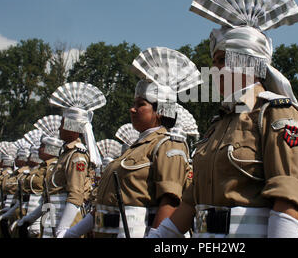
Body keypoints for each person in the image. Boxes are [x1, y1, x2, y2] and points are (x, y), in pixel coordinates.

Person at [148, 0, 298, 238]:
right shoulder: (219, 124)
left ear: (247, 61)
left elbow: (287, 195)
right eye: (213, 62)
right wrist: (158, 239)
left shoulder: (276, 113)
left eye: (222, 60)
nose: (214, 70)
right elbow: (191, 201)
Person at [63, 47, 202, 239]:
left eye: (140, 104)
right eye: (134, 104)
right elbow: (107, 204)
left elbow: (170, 202)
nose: (132, 109)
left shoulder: (167, 145)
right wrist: (71, 233)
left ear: (160, 110)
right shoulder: (133, 150)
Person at [40, 82, 106, 238]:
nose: (59, 128)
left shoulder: (77, 156)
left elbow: (75, 195)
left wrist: (63, 230)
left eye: (62, 124)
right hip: (52, 216)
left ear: (71, 126)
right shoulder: (66, 154)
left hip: (66, 220)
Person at [17, 115, 64, 237]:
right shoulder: (42, 167)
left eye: (42, 146)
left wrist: (36, 222)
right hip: (42, 211)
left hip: (52, 213)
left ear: (51, 148)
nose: (39, 149)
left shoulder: (54, 167)